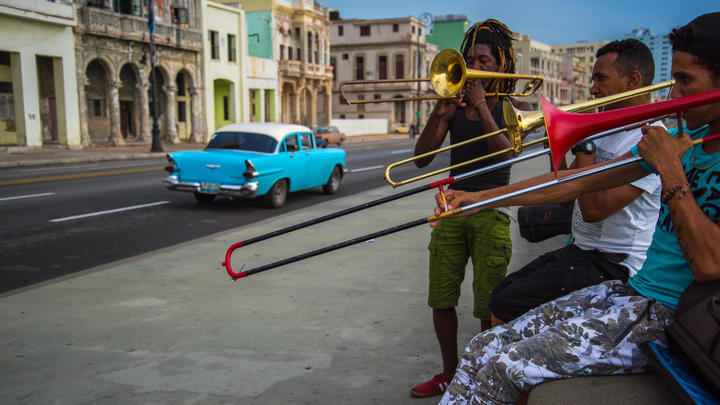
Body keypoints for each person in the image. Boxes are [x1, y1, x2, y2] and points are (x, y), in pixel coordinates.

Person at [432, 12, 720, 405]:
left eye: (685, 81)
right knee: (485, 345)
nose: (673, 96)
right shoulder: (691, 139)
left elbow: (709, 264)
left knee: (506, 364)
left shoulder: (675, 148)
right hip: (634, 295)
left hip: (672, 317)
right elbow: (573, 184)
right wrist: (477, 199)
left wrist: (670, 170)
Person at [489, 39, 664, 327]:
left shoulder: (650, 139)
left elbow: (595, 209)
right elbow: (566, 197)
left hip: (615, 265)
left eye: (601, 78)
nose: (593, 89)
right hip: (583, 250)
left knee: (506, 305)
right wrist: (556, 143)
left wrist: (584, 142)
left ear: (633, 80)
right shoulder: (607, 128)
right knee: (502, 292)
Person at [409, 19, 532, 398]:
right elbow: (419, 160)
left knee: (487, 302)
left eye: (482, 60)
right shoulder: (456, 105)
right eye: (469, 59)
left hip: (492, 211)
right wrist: (439, 114)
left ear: (501, 66)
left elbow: (508, 153)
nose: (473, 66)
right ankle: (449, 372)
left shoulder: (510, 108)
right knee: (441, 297)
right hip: (451, 208)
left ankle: (479, 376)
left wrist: (483, 107)